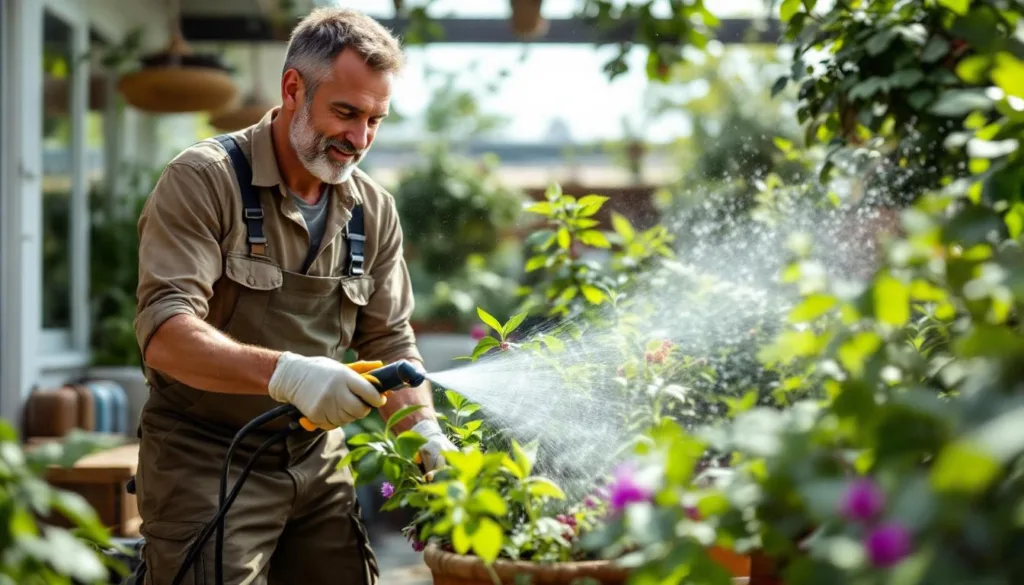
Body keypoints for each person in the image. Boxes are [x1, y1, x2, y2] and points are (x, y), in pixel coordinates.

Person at [129, 7, 455, 585]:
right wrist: (288, 373)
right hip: (207, 458)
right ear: (292, 88)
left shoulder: (373, 209)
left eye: (376, 120)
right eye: (346, 113)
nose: (360, 139)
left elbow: (389, 339)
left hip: (316, 461)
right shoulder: (204, 180)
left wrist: (424, 431)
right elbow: (165, 332)